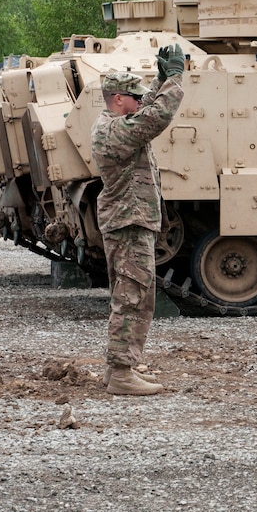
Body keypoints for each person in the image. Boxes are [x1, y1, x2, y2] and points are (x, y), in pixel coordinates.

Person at [91, 44, 185, 395]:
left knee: (135, 295)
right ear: (118, 99)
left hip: (130, 221)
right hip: (129, 223)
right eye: (132, 96)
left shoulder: (115, 121)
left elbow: (146, 105)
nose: (138, 100)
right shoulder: (116, 131)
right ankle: (120, 374)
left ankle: (122, 368)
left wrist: (161, 78)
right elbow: (156, 116)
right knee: (131, 297)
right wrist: (174, 79)